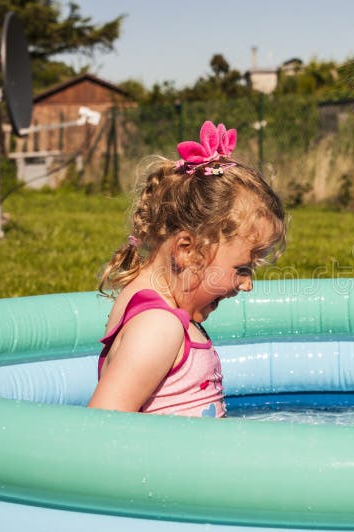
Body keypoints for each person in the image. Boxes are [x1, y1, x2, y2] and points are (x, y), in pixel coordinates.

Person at [87, 121, 285, 417]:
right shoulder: (158, 326)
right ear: (186, 250)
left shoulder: (150, 308)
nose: (247, 285)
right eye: (242, 268)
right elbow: (99, 430)